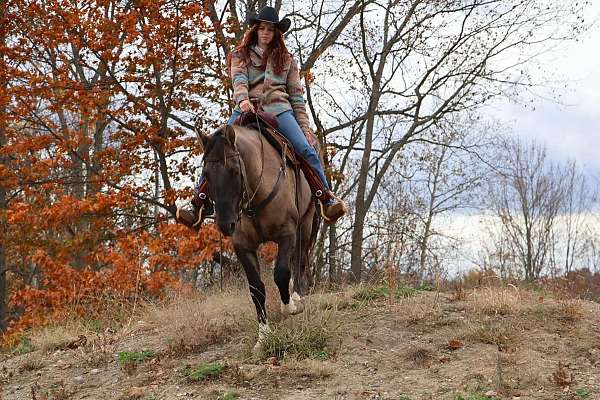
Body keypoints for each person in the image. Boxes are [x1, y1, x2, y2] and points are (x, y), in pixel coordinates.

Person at [177, 6, 346, 229]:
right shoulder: (240, 55)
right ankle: (198, 203)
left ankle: (325, 197)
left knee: (305, 148)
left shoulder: (287, 60)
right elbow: (238, 80)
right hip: (246, 108)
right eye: (262, 28)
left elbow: (296, 97)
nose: (266, 33)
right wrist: (243, 100)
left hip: (279, 109)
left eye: (271, 29)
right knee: (215, 148)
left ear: (277, 33)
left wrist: (304, 126)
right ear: (256, 30)